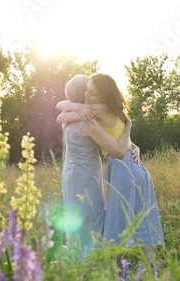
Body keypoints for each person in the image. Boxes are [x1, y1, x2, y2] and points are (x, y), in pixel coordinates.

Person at [57, 73, 164, 258]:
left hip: (123, 167)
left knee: (116, 220)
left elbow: (119, 151)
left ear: (102, 95)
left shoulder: (95, 110)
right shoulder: (112, 109)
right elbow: (61, 113)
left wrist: (129, 131)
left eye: (91, 93)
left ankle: (110, 267)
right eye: (86, 92)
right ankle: (149, 266)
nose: (86, 97)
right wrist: (132, 139)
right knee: (141, 215)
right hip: (136, 167)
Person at [58, 74, 133, 257]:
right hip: (86, 175)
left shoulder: (71, 119)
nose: (87, 94)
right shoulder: (90, 120)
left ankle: (75, 255)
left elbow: (59, 112)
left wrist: (77, 106)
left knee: (74, 213)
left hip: (69, 173)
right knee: (92, 215)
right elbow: (118, 150)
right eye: (86, 90)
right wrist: (128, 125)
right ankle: (91, 260)